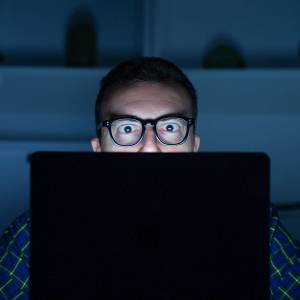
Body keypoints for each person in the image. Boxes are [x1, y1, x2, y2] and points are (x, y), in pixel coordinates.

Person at [0, 57, 299, 299]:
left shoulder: (254, 224)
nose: (150, 146)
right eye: (127, 129)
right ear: (98, 148)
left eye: (170, 128)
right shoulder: (41, 227)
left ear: (194, 146)